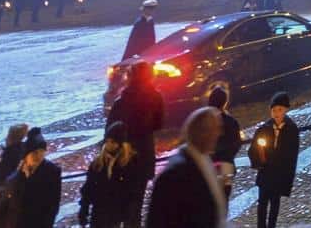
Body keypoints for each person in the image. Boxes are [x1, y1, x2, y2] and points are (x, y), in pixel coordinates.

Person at [147, 107, 225, 228]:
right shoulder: (176, 173)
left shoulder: (203, 160)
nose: (219, 134)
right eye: (215, 129)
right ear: (203, 133)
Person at [107, 61, 167, 193]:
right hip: (145, 151)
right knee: (138, 194)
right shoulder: (156, 97)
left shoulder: (121, 101)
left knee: (122, 194)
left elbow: (110, 129)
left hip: (123, 153)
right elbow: (159, 124)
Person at [0, 132, 59, 228]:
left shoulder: (51, 172)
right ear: (26, 155)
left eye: (42, 152)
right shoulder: (17, 176)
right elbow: (7, 199)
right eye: (35, 153)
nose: (39, 156)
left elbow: (53, 205)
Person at [247, 92, 299, 228]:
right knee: (262, 203)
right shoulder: (264, 128)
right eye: (274, 110)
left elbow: (292, 156)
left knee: (275, 203)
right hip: (265, 173)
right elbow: (253, 150)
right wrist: (258, 162)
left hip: (279, 174)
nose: (276, 113)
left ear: (286, 110)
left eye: (280, 110)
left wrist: (287, 176)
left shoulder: (291, 129)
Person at [78, 124, 143, 228]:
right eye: (107, 141)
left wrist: (129, 211)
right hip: (99, 211)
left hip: (116, 212)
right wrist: (84, 209)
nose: (108, 145)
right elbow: (89, 186)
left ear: (120, 143)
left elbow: (133, 190)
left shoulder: (129, 163)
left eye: (112, 142)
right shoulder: (98, 163)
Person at [207, 88, 242, 197]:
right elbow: (237, 143)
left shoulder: (204, 121)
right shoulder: (231, 121)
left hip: (208, 166)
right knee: (224, 199)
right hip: (226, 164)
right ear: (225, 102)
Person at [0, 125, 32, 192]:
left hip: (4, 191)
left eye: (7, 136)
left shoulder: (10, 154)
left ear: (11, 137)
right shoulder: (22, 149)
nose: (5, 139)